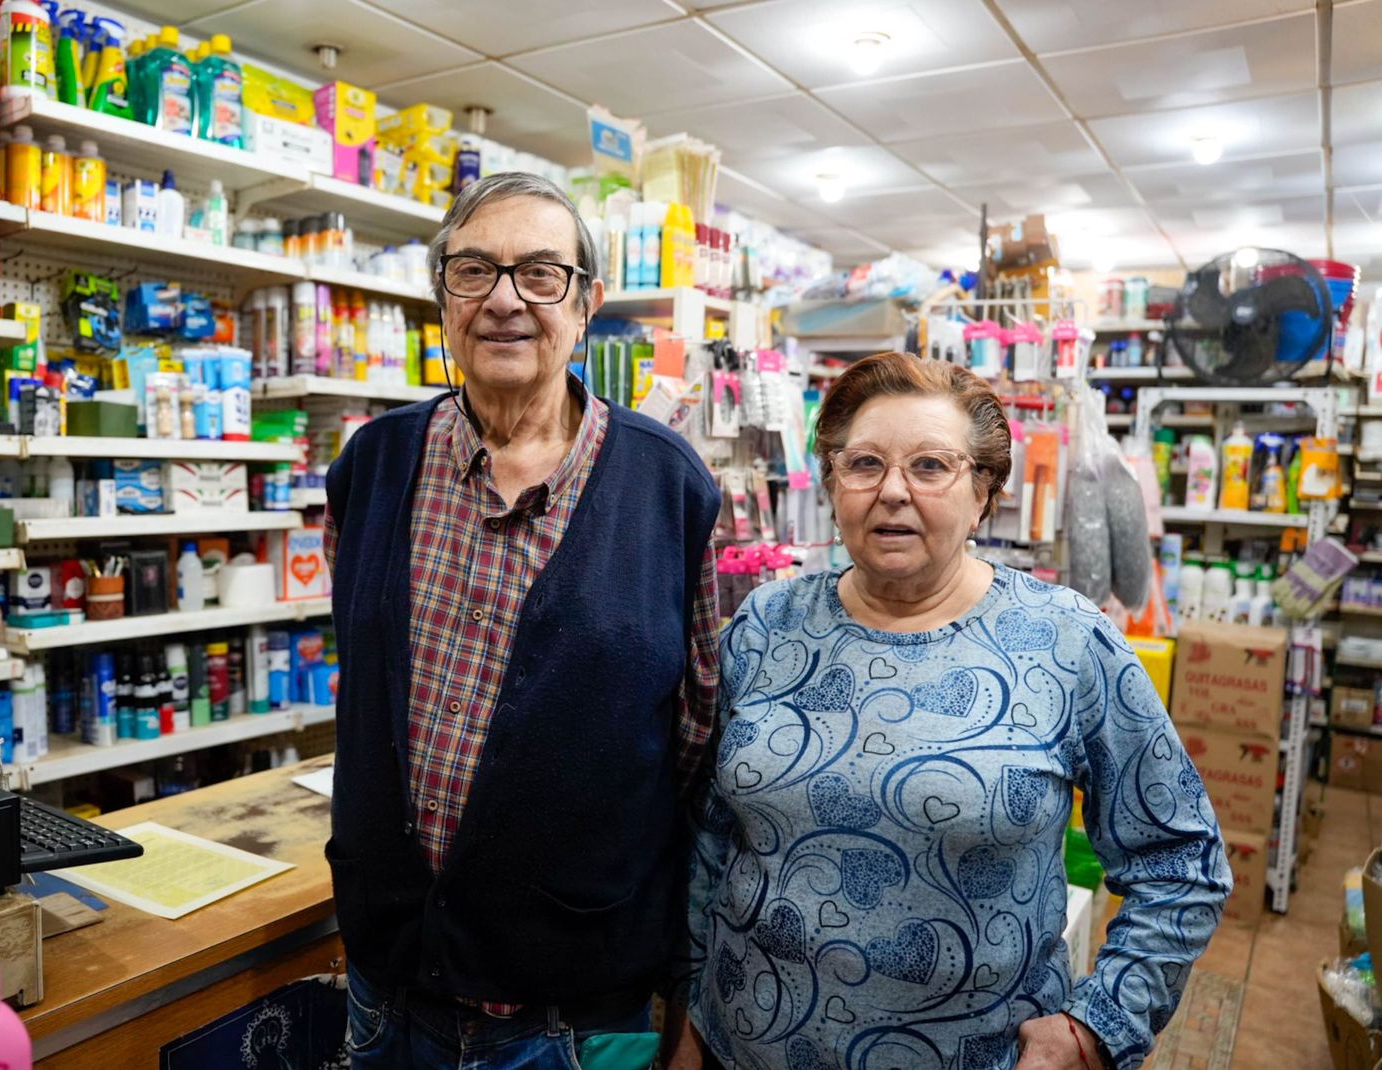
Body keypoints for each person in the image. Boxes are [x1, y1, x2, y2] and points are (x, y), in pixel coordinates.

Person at [675, 352, 1230, 1070]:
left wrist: (1096, 1029)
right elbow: (709, 841)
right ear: (833, 480)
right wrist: (688, 1014)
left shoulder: (1065, 640)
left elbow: (1180, 858)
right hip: (742, 1047)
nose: (893, 493)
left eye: (931, 466)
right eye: (864, 464)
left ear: (985, 491)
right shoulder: (766, 625)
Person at [322, 171, 722, 1069]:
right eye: (474, 272)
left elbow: (696, 742)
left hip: (581, 1011)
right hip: (389, 989)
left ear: (587, 305)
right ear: (443, 300)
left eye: (541, 274)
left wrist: (691, 986)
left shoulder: (669, 485)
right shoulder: (374, 464)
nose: (506, 300)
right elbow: (369, 680)